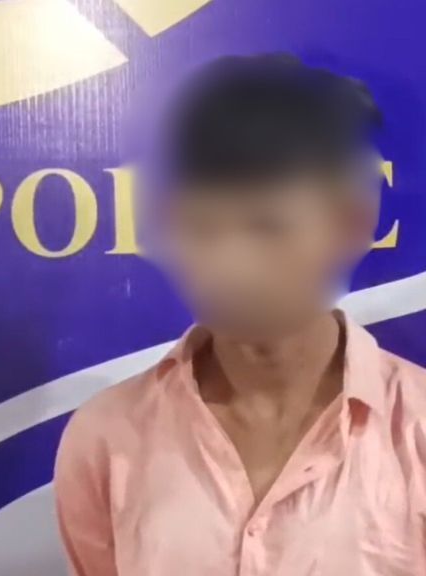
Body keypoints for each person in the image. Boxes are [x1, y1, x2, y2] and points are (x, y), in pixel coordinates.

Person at [55, 54, 426, 575]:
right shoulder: (107, 436)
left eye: (266, 227)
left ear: (349, 223)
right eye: (203, 227)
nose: (231, 264)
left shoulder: (415, 428)